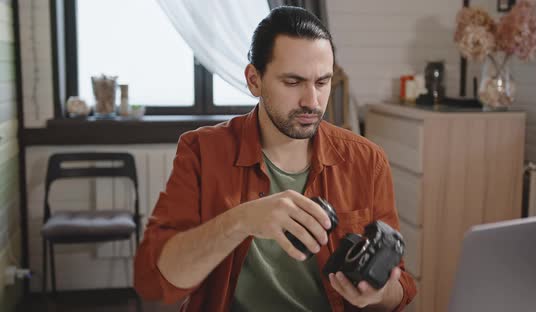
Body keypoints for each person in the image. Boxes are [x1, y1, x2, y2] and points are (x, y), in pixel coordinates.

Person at [134, 6, 416, 311]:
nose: (312, 101)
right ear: (254, 80)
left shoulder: (366, 160)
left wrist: (378, 294)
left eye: (322, 82)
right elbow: (155, 281)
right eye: (292, 82)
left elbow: (399, 289)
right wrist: (241, 220)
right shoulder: (201, 151)